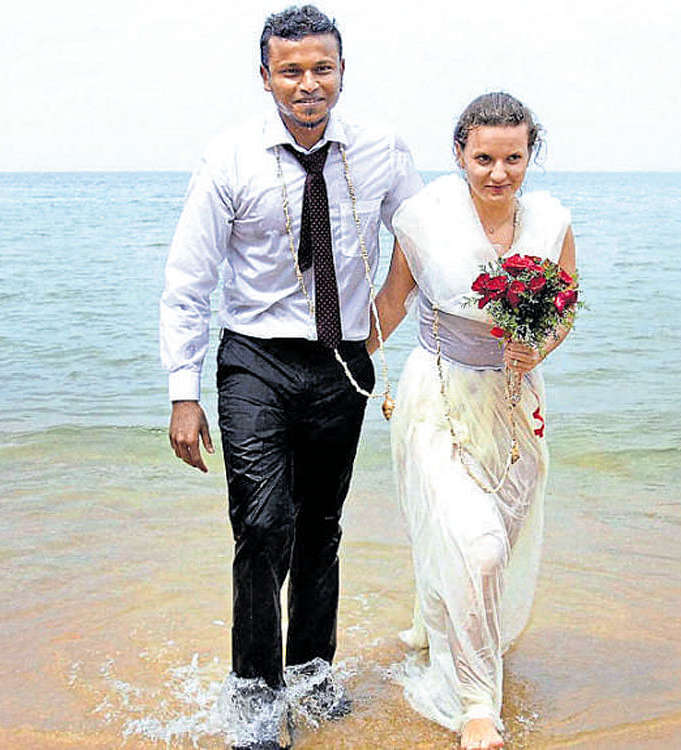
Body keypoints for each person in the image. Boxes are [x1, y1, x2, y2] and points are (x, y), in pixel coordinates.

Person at [159, 6, 421, 749]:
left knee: (322, 526)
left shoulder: (382, 149)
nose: (309, 84)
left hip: (342, 358)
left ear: (342, 70)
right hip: (255, 360)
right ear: (266, 76)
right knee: (263, 523)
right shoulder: (230, 157)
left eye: (323, 68)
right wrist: (184, 391)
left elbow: (422, 235)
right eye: (292, 70)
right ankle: (253, 688)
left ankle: (310, 667)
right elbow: (189, 279)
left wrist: (386, 318)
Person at [369, 92, 576, 750]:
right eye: (483, 157)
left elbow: (566, 305)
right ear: (459, 152)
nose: (497, 172)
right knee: (476, 549)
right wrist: (333, 364)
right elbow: (393, 305)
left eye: (512, 158)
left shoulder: (550, 221)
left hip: (517, 409)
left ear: (529, 155)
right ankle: (476, 705)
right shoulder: (423, 219)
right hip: (438, 403)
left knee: (493, 551)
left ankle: (458, 644)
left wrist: (536, 346)